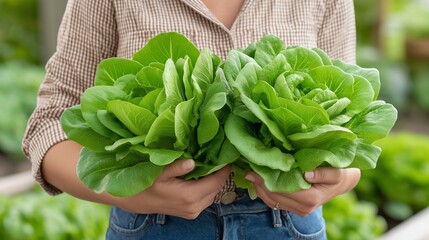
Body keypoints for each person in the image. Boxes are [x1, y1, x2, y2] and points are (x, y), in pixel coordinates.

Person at [23, 0, 361, 239]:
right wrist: (131, 193)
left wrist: (338, 179)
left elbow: (350, 133)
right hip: (154, 227)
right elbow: (49, 123)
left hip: (287, 228)